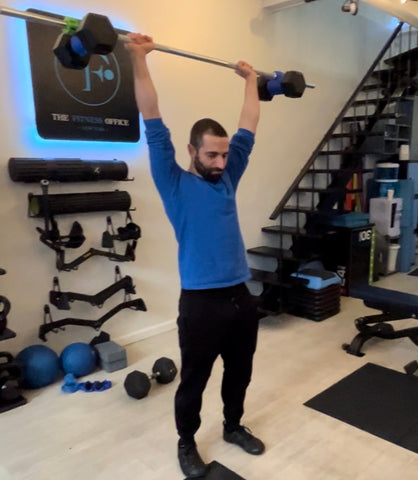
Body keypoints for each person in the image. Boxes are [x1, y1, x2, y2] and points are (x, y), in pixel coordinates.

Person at [125, 33, 264, 478]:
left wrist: (250, 79)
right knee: (194, 380)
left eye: (225, 154)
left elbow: (249, 123)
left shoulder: (228, 176)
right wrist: (139, 58)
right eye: (212, 154)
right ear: (191, 151)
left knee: (239, 372)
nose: (222, 162)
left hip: (240, 295)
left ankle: (233, 425)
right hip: (201, 301)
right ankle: (186, 443)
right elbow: (151, 114)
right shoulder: (173, 180)